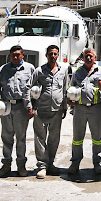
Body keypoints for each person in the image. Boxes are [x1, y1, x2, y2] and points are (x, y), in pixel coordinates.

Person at [0, 45, 35, 178]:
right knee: (6, 138)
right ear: (10, 56)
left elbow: (35, 89)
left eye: (17, 55)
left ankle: (21, 166)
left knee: (21, 138)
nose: (15, 57)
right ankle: (6, 165)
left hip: (22, 108)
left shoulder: (29, 69)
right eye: (13, 55)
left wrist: (32, 107)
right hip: (6, 107)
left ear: (23, 55)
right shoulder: (3, 69)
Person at [67, 48, 101, 175]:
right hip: (80, 109)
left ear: (95, 58)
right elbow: (70, 88)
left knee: (96, 138)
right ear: (83, 58)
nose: (88, 58)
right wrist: (70, 101)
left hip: (96, 109)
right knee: (77, 138)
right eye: (86, 56)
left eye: (91, 56)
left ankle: (97, 163)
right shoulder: (77, 72)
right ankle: (75, 162)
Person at [32, 45, 69, 179]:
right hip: (41, 109)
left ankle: (51, 163)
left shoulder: (63, 70)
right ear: (46, 55)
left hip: (57, 110)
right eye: (50, 54)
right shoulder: (39, 71)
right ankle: (42, 166)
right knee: (40, 138)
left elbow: (65, 89)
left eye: (55, 54)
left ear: (58, 55)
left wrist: (64, 107)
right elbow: (31, 88)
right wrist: (32, 107)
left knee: (54, 138)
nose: (53, 56)